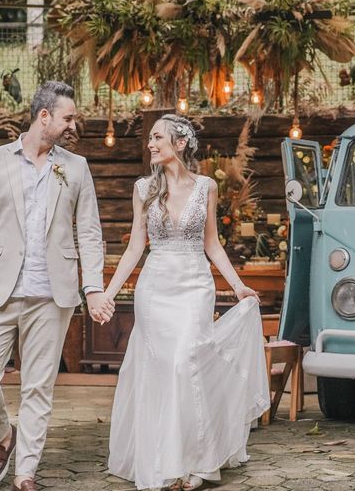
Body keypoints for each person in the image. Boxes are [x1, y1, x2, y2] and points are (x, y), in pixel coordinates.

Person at [0, 81, 115, 491]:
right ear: (44, 116)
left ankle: (25, 472)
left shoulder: (76, 167)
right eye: (68, 117)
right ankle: (3, 437)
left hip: (52, 295)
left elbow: (90, 232)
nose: (72, 124)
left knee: (38, 386)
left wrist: (93, 286)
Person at [104, 114, 270, 490]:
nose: (151, 144)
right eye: (150, 138)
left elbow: (212, 243)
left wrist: (238, 285)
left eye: (158, 137)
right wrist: (108, 293)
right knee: (163, 370)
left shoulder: (206, 187)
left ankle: (198, 459)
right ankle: (169, 463)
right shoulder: (143, 188)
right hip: (155, 287)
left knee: (186, 363)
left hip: (195, 285)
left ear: (179, 144)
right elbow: (135, 246)